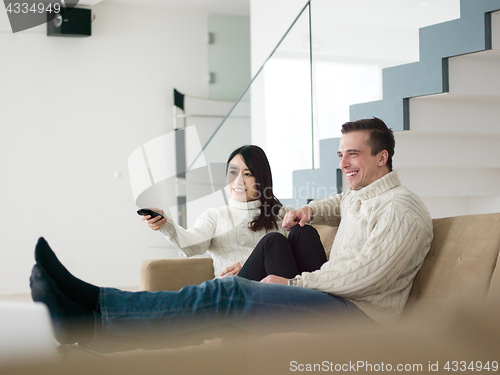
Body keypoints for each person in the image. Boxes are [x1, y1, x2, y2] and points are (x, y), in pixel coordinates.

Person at [30, 117, 433, 352]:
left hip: (359, 318)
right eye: (340, 154)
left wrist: (292, 281)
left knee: (227, 293)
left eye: (354, 154)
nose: (343, 162)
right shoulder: (361, 195)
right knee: (279, 244)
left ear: (382, 158)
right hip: (334, 299)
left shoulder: (403, 210)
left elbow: (366, 276)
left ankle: (93, 310)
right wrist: (310, 209)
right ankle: (90, 312)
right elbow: (342, 204)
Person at [141, 144, 326, 281]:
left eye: (247, 174)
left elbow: (294, 264)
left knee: (304, 231)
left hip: (279, 289)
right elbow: (191, 246)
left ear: (261, 179)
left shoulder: (282, 215)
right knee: (273, 241)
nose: (238, 181)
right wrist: (166, 225)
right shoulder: (216, 216)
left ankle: (321, 305)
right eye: (233, 172)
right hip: (237, 293)